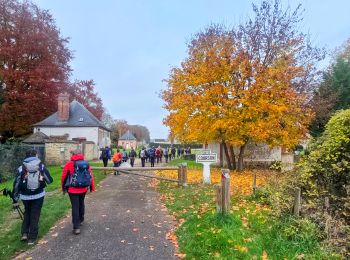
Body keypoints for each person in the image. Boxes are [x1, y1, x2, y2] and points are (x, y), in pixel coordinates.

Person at [12, 149, 53, 245]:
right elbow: (50, 180)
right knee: (35, 215)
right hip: (38, 195)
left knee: (27, 212)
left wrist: (15, 199)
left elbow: (16, 184)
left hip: (25, 196)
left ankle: (24, 233)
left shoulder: (21, 168)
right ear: (36, 155)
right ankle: (32, 238)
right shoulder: (41, 166)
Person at [61, 149, 95, 235]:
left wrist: (63, 188)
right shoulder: (86, 163)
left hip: (72, 189)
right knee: (81, 203)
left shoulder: (69, 164)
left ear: (73, 154)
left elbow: (64, 177)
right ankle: (81, 219)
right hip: (83, 188)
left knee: (75, 206)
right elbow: (90, 175)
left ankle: (76, 227)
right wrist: (91, 187)